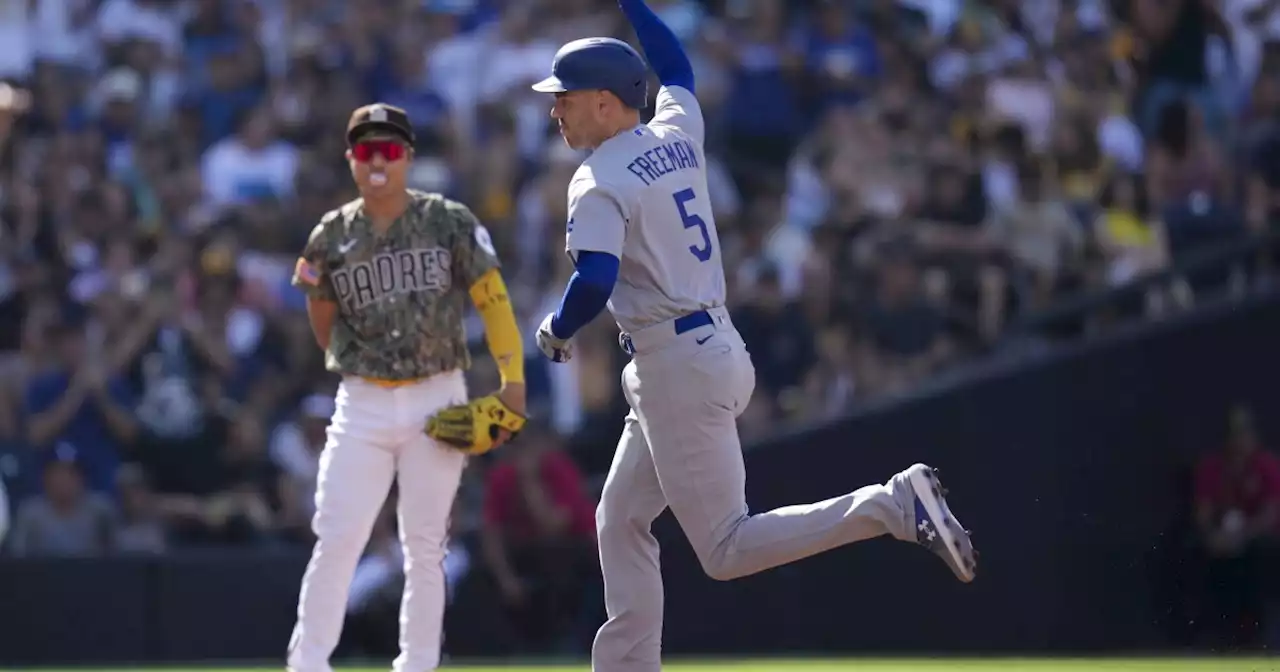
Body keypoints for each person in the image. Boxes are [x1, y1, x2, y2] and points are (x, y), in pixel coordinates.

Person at [529, 3, 980, 671]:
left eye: (564, 98)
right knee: (620, 517)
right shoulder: (677, 132)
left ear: (602, 103)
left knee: (727, 548)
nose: (554, 111)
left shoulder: (597, 178)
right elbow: (676, 65)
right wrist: (634, 6)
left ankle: (889, 505)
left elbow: (594, 280)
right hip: (706, 348)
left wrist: (557, 330)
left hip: (675, 367)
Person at [285, 103, 528, 672]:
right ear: (351, 159)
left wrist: (512, 379)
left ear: (408, 158)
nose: (378, 160)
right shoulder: (331, 233)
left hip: (435, 394)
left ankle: (418, 665)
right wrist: (344, 357)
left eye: (389, 149)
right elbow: (317, 308)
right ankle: (307, 664)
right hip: (363, 400)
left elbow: (492, 299)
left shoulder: (450, 220)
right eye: (366, 150)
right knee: (338, 538)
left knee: (425, 545)